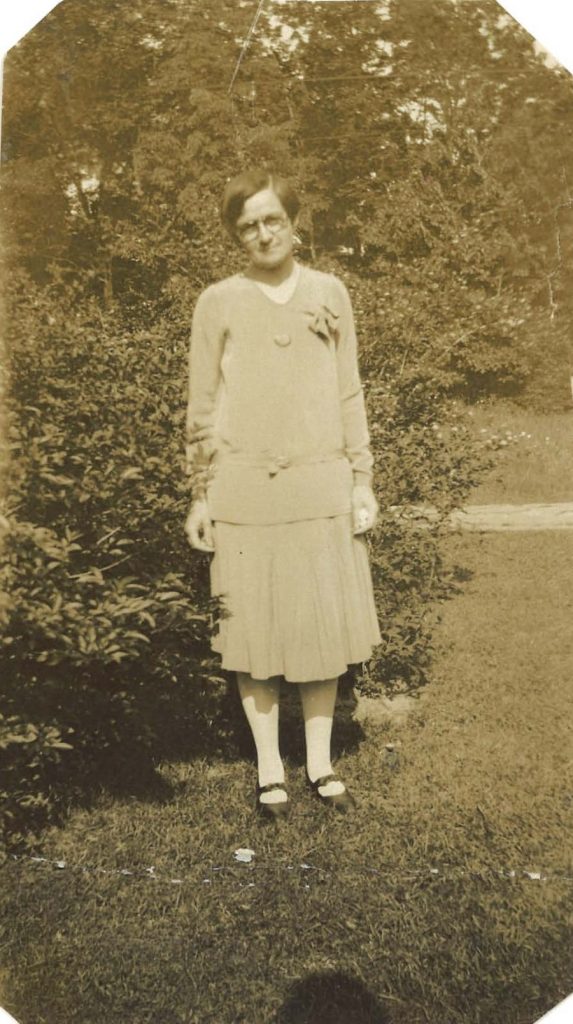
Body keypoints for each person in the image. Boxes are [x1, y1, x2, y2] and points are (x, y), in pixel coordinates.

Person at [184, 168, 381, 821]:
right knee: (254, 629)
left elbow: (347, 390)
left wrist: (361, 479)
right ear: (235, 235)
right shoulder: (217, 302)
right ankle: (270, 766)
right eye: (247, 225)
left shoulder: (330, 293)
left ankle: (319, 763)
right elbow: (202, 406)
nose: (261, 234)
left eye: (271, 219)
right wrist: (198, 494)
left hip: (319, 481)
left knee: (319, 625)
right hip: (243, 488)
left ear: (294, 223)